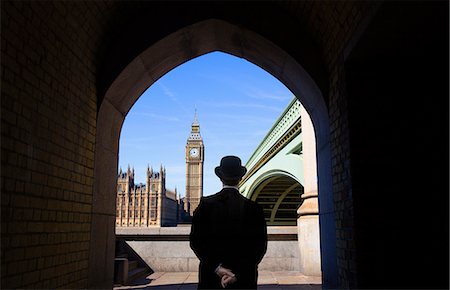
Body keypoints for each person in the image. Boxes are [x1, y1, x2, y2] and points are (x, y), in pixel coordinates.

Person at [190, 156, 268, 289]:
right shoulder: (254, 208)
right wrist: (237, 274)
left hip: (212, 278)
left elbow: (196, 242)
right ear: (241, 178)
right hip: (243, 280)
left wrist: (217, 268)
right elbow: (259, 247)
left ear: (220, 178)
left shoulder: (205, 205)